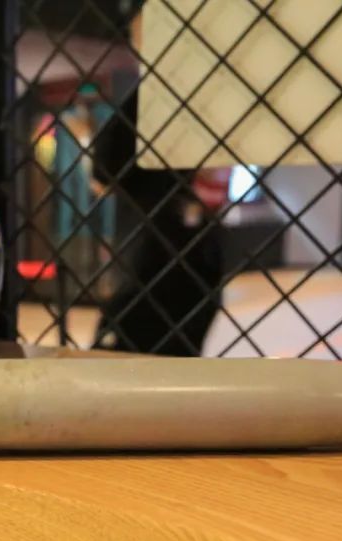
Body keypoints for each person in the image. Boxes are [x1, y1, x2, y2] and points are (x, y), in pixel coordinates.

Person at [89, 9, 224, 356]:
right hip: (191, 259)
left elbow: (103, 171)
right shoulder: (209, 94)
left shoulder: (161, 98)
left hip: (156, 264)